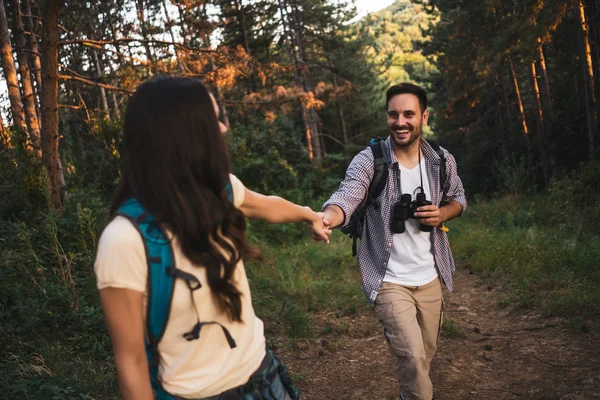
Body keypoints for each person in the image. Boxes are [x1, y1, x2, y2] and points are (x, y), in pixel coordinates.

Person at [94, 76, 330, 399]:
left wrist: (309, 214)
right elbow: (131, 363)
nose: (222, 129)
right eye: (214, 120)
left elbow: (266, 206)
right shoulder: (123, 240)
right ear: (185, 136)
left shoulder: (218, 191)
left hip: (263, 376)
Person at [320, 83, 467, 400]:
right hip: (388, 279)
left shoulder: (441, 161)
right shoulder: (369, 161)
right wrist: (327, 218)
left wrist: (442, 214)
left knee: (423, 356)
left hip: (430, 277)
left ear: (423, 117)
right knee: (413, 358)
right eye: (393, 114)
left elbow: (459, 199)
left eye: (408, 114)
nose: (400, 122)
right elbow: (346, 197)